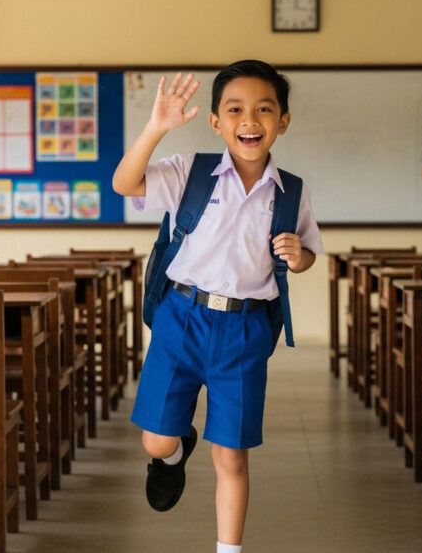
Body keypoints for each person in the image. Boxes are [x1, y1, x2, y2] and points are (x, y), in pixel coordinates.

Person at [112, 60, 323, 553]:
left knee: (232, 456)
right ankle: (171, 454)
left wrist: (301, 255)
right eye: (235, 109)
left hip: (245, 330)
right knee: (156, 440)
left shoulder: (293, 191)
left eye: (264, 109)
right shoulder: (191, 172)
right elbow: (126, 183)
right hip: (180, 320)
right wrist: (156, 127)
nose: (250, 120)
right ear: (216, 121)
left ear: (283, 121)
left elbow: (308, 253)